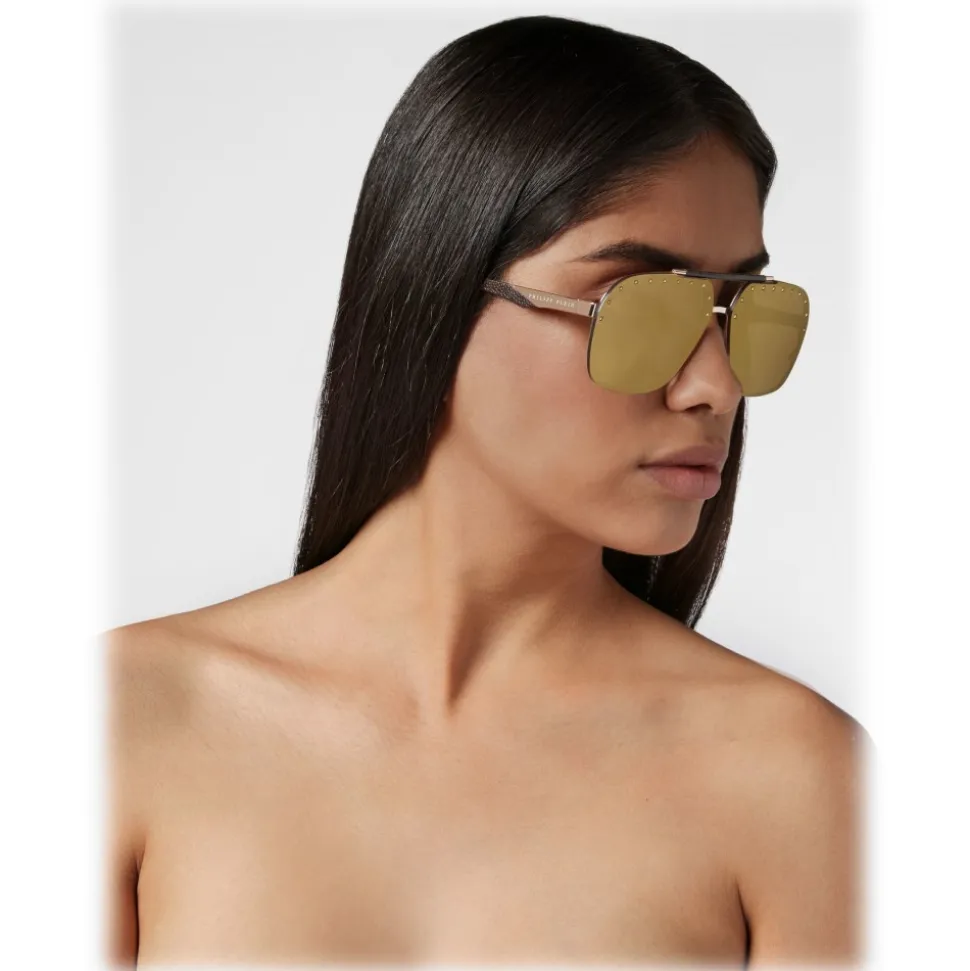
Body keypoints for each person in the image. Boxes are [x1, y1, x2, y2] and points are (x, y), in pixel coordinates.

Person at [106, 14, 868, 967]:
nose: (715, 384)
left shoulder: (799, 777)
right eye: (638, 306)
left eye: (740, 310)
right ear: (434, 293)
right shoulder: (119, 721)